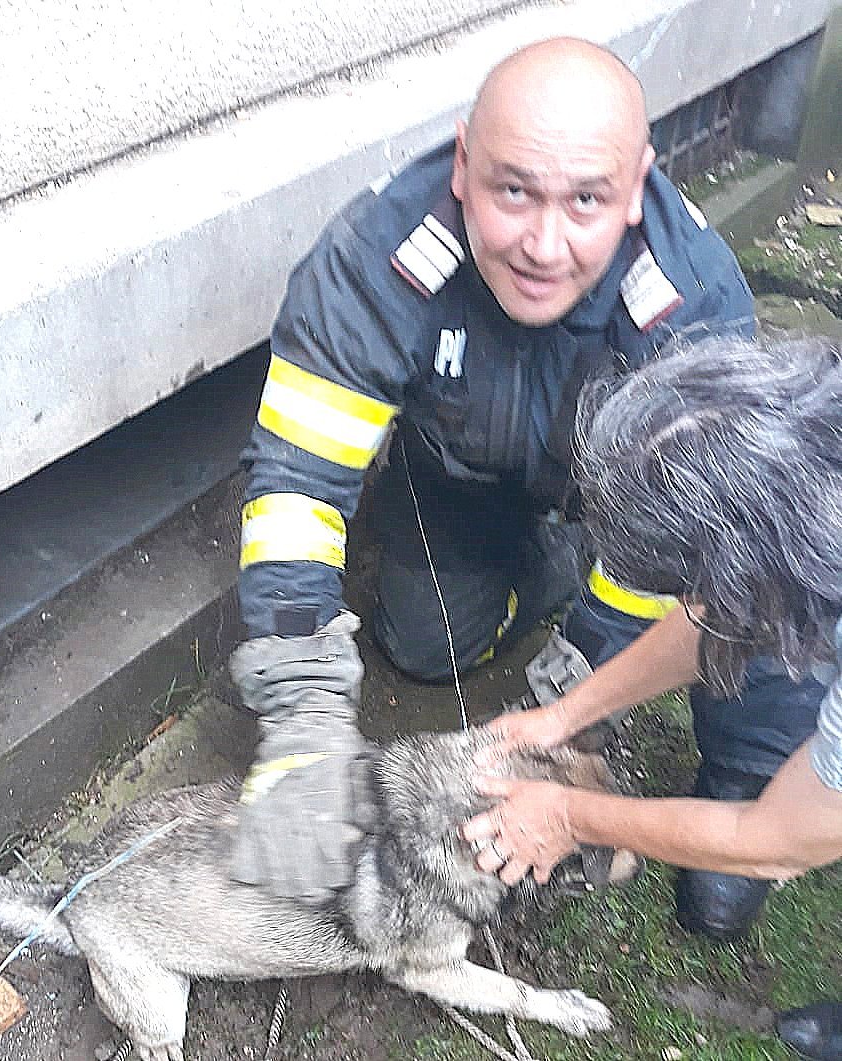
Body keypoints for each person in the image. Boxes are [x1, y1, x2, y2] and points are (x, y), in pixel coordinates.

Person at [228, 35, 768, 915]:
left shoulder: (691, 311)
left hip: (613, 504)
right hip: (461, 474)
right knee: (420, 648)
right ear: (462, 163)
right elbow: (295, 487)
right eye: (511, 190)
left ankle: (742, 769)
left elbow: (682, 557)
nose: (543, 246)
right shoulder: (374, 260)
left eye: (587, 200)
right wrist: (301, 708)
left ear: (636, 186)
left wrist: (577, 694)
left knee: (704, 556)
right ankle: (540, 568)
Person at [462, 334, 842, 1060]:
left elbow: (774, 841)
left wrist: (572, 815)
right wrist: (567, 713)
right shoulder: (803, 457)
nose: (693, 602)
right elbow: (715, 616)